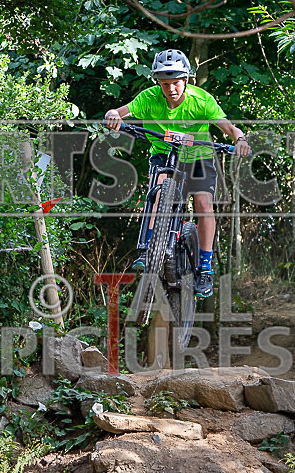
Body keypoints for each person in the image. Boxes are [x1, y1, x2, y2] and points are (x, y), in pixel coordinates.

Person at [104, 48, 251, 298]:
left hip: (198, 157)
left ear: (186, 80)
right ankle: (147, 248)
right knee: (157, 193)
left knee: (204, 204)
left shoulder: (201, 100)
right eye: (165, 83)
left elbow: (228, 127)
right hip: (164, 154)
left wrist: (240, 139)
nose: (171, 88)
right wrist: (112, 116)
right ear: (158, 83)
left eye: (176, 83)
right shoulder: (149, 98)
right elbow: (120, 112)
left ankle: (205, 268)